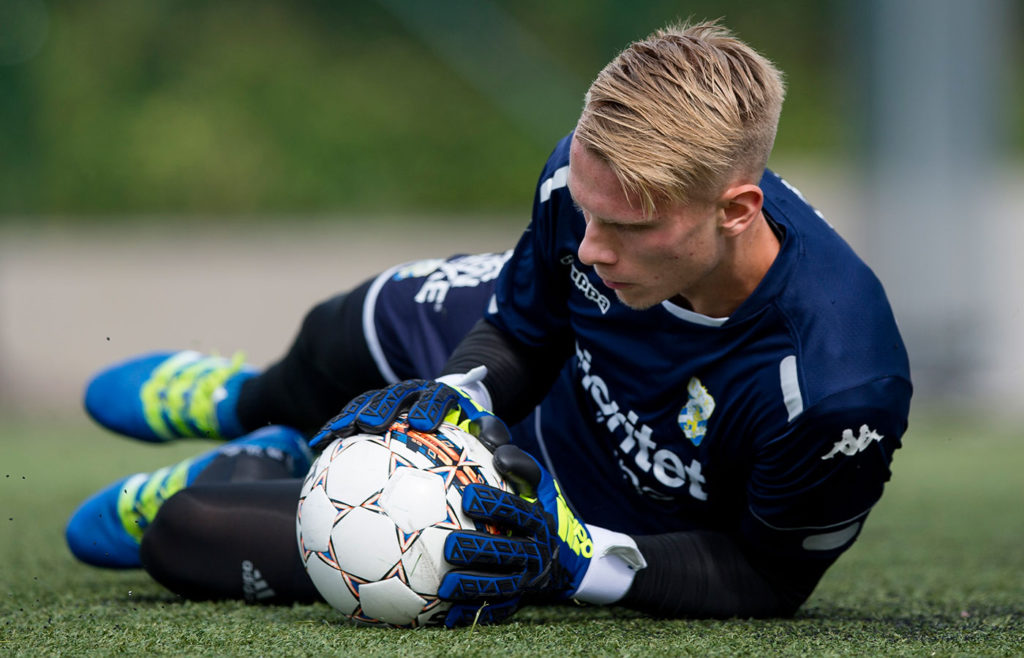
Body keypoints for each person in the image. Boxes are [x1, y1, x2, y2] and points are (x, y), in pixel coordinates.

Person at [66, 21, 912, 623]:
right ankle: (249, 402)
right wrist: (457, 395)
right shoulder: (586, 184)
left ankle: (285, 458)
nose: (590, 248)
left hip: (570, 515)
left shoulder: (840, 386)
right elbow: (526, 327)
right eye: (585, 211)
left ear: (737, 210)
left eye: (628, 228)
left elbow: (767, 580)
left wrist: (574, 558)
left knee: (183, 538)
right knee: (341, 329)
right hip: (543, 386)